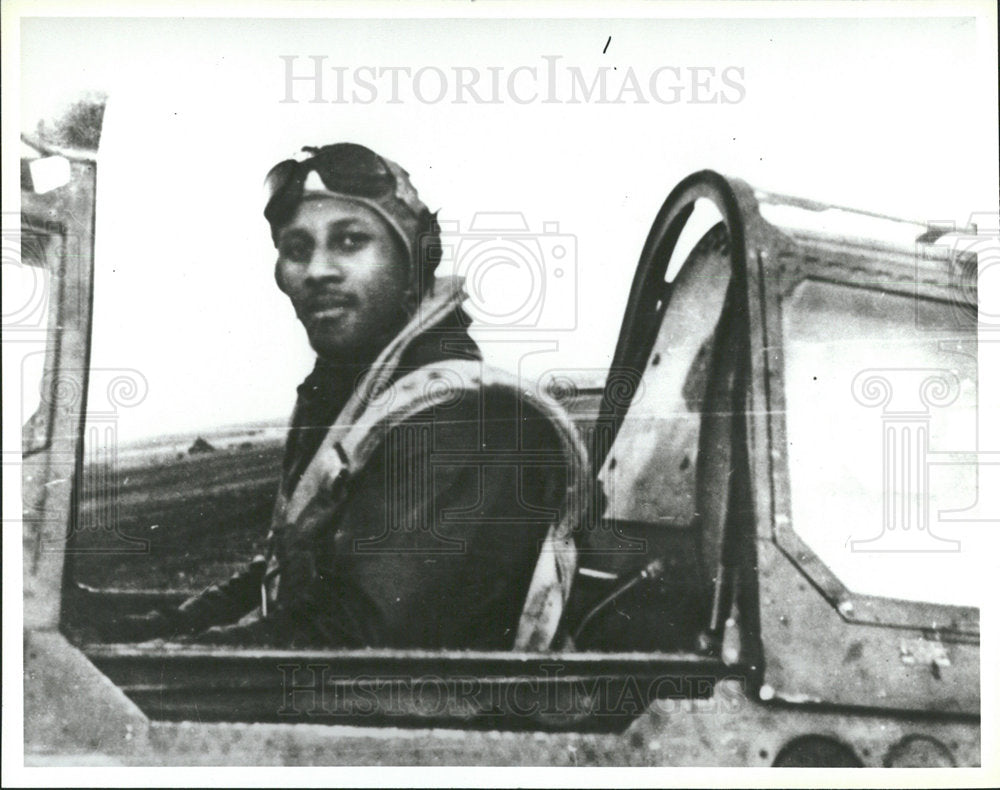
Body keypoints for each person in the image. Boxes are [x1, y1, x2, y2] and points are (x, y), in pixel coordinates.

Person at [113, 143, 588, 650]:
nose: (317, 271)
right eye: (297, 249)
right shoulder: (357, 392)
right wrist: (142, 634)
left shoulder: (459, 412)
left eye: (350, 241)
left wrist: (168, 657)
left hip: (426, 718)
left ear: (413, 263)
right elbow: (288, 570)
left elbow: (360, 632)